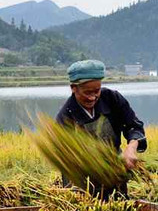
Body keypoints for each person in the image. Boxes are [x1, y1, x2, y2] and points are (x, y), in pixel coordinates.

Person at [55, 59, 147, 196]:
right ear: (73, 88)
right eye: (87, 92)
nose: (93, 97)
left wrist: (131, 147)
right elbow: (64, 157)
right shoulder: (66, 117)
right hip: (80, 183)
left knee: (119, 210)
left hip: (114, 174)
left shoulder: (112, 99)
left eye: (96, 91)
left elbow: (134, 127)